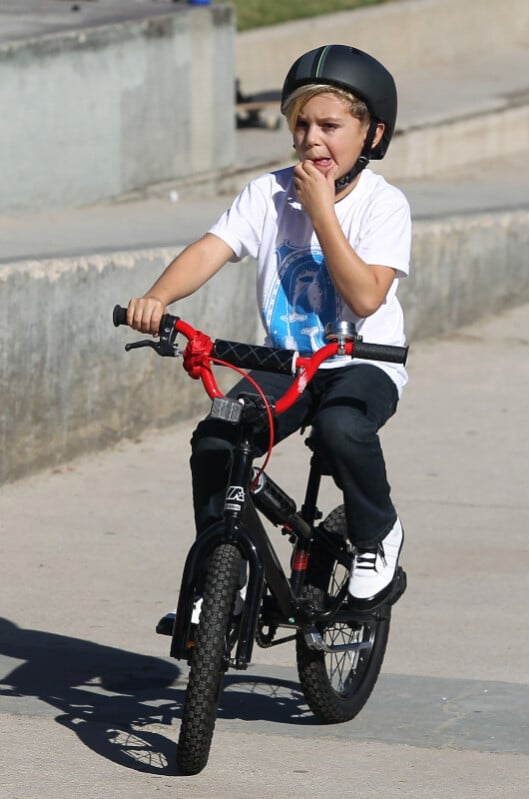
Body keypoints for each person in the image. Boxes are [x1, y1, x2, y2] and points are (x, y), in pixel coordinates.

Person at [126, 44, 411, 610]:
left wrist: (322, 210)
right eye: (300, 124)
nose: (312, 139)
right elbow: (212, 249)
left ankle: (377, 533)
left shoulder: (384, 205)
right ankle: (220, 572)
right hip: (285, 366)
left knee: (342, 428)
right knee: (216, 439)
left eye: (330, 125)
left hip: (364, 362)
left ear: (371, 137)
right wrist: (158, 296)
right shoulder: (268, 193)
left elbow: (364, 294)